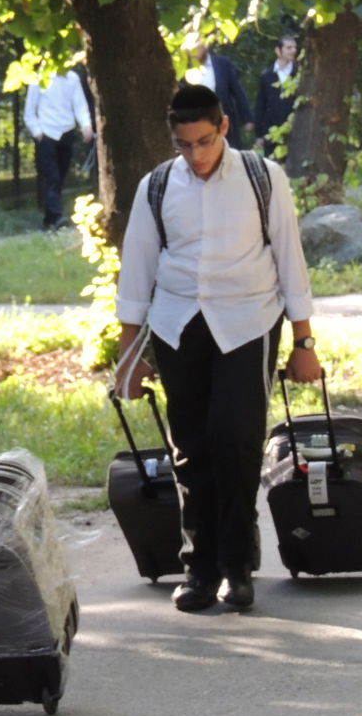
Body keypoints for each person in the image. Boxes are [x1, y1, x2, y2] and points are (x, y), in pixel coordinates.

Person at [115, 84, 321, 613]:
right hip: (178, 322)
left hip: (248, 320)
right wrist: (129, 357)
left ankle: (236, 564)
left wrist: (304, 342)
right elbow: (136, 271)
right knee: (191, 446)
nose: (196, 155)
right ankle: (198, 565)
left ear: (223, 127)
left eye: (204, 142)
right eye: (185, 146)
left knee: (236, 438)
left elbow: (291, 261)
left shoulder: (262, 177)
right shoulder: (157, 186)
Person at [24, 68, 93, 229]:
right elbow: (29, 112)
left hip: (66, 133)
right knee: (52, 178)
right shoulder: (38, 78)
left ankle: (49, 221)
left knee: (59, 178)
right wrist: (38, 133)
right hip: (47, 134)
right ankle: (57, 217)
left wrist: (86, 125)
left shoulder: (72, 78)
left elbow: (80, 105)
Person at [184, 38, 253, 145]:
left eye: (196, 49)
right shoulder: (184, 69)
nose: (193, 54)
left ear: (205, 47)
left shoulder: (222, 64)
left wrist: (247, 118)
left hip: (224, 121)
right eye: (190, 50)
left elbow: (238, 92)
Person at [253, 34, 300, 156]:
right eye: (289, 48)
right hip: (271, 130)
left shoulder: (300, 74)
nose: (293, 51)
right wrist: (258, 134)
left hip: (295, 130)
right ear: (278, 50)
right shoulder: (267, 76)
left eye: (295, 47)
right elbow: (261, 105)